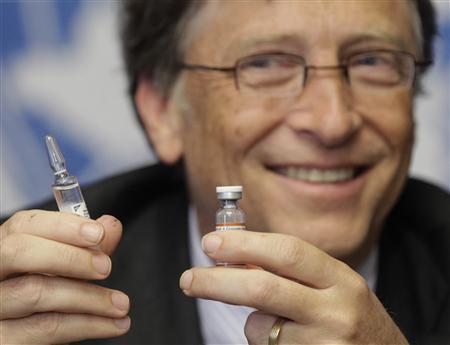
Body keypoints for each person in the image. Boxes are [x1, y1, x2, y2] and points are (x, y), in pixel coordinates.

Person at [1, 0, 449, 344]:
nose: (332, 121)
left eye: (373, 61)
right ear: (162, 110)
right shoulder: (25, 292)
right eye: (265, 64)